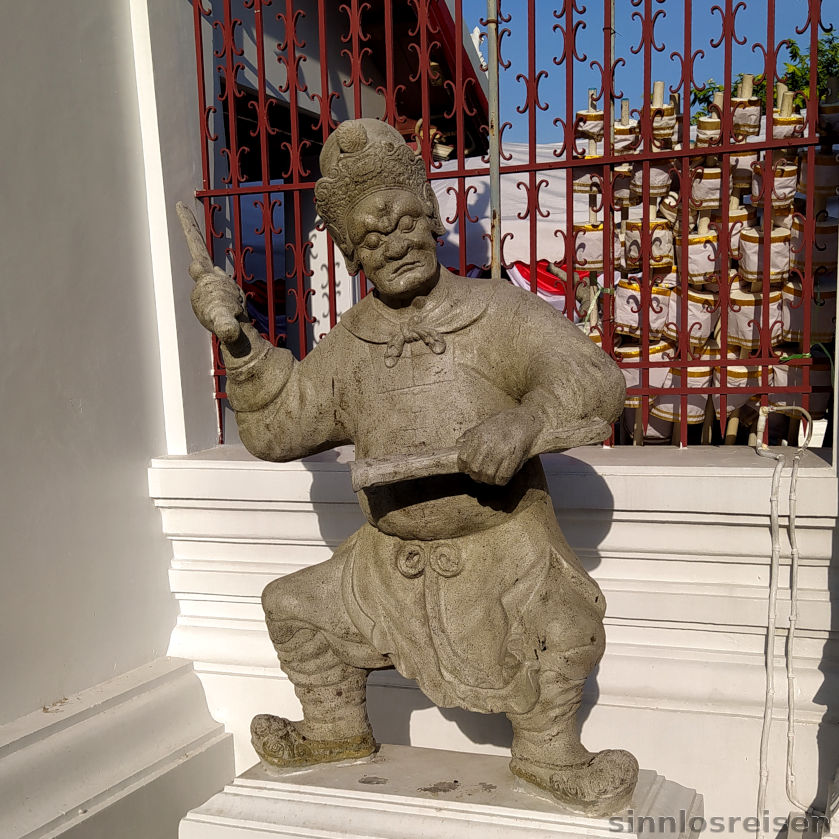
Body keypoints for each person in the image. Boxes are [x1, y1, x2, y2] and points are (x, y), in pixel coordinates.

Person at [188, 118, 638, 817]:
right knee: (292, 605)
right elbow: (282, 425)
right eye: (369, 238)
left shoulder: (496, 312)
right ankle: (336, 730)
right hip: (385, 565)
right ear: (350, 255)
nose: (391, 243)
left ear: (429, 214)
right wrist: (237, 340)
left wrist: (522, 422)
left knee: (566, 629)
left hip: (503, 552)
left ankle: (549, 749)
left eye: (400, 222)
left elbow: (592, 378)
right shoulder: (351, 344)